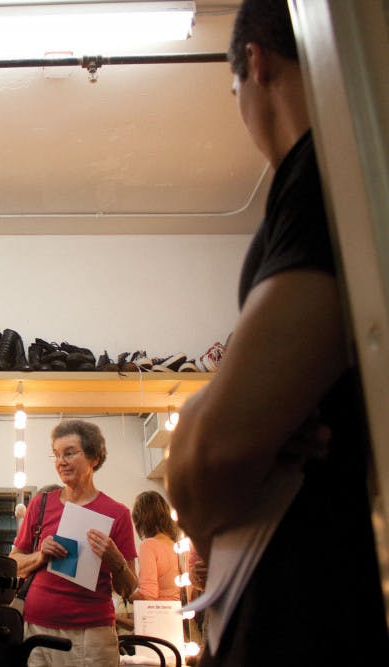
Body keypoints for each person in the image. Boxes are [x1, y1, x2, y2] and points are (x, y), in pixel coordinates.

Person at [164, 1, 389, 663]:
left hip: (317, 624)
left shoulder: (325, 176)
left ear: (253, 65)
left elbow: (211, 460)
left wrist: (211, 421)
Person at [10, 419, 137, 667]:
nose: (61, 461)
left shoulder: (117, 513)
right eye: (56, 454)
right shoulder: (40, 504)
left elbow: (130, 590)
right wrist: (40, 556)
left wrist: (115, 559)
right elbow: (13, 563)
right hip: (36, 627)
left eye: (69, 453)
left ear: (94, 458)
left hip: (91, 633)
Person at [129, 491, 180, 602]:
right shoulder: (178, 546)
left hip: (160, 616)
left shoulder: (149, 545)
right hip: (181, 615)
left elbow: (148, 595)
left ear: (141, 520)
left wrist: (126, 593)